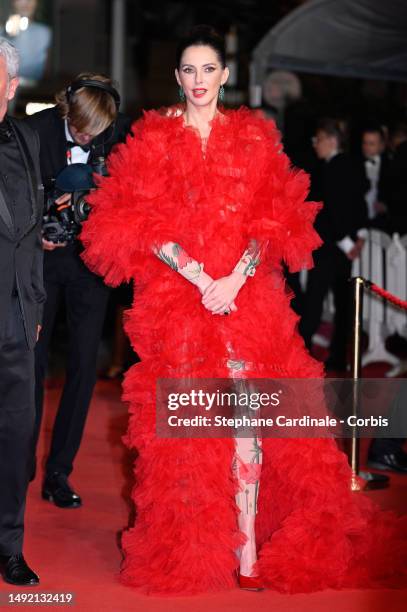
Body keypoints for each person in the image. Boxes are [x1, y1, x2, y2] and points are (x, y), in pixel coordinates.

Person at [81, 26, 407, 595]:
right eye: (189, 70)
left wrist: (234, 277)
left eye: (209, 70)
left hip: (248, 301)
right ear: (177, 76)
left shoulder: (254, 137)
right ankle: (199, 545)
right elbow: (132, 217)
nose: (199, 80)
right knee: (192, 428)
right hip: (180, 304)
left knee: (252, 426)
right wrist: (200, 276)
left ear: (224, 75)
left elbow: (272, 216)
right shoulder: (154, 136)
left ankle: (252, 551)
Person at [25, 74, 132, 508]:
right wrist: (36, 233)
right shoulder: (35, 132)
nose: (89, 137)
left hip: (91, 265)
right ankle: (19, 466)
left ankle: (59, 473)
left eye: (97, 131)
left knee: (84, 368)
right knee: (30, 365)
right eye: (82, 128)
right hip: (42, 263)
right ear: (66, 110)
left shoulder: (117, 137)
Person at [0, 39, 44, 586]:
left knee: (15, 433)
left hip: (16, 312)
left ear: (10, 88)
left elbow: (29, 234)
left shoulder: (28, 139)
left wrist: (34, 301)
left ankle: (9, 543)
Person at [299, 119, 368, 371]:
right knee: (342, 302)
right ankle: (339, 356)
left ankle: (303, 351)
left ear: (331, 140)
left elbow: (333, 210)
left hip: (331, 246)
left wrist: (348, 242)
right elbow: (360, 205)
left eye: (318, 139)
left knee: (315, 299)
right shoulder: (350, 164)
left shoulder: (331, 169)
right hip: (343, 246)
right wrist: (358, 237)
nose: (315, 145)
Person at [360, 124, 390, 231]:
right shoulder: (353, 165)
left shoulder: (391, 166)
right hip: (359, 223)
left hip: (384, 224)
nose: (366, 147)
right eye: (365, 143)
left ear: (381, 145)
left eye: (371, 144)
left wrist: (386, 207)